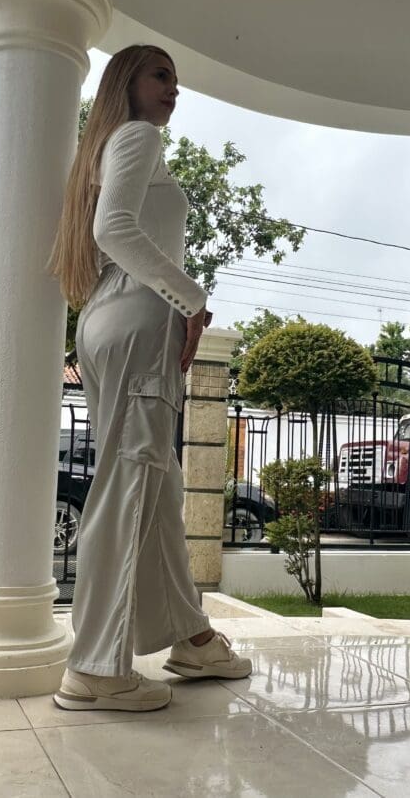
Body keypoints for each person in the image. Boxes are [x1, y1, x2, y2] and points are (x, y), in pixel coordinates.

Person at [48, 44, 252, 712]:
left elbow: (109, 231)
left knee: (152, 482)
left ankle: (193, 638)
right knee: (130, 483)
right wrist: (191, 297)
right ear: (125, 81)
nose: (173, 88)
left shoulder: (112, 146)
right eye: (160, 74)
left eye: (176, 78)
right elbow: (115, 228)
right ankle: (96, 667)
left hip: (112, 319)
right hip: (140, 319)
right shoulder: (134, 135)